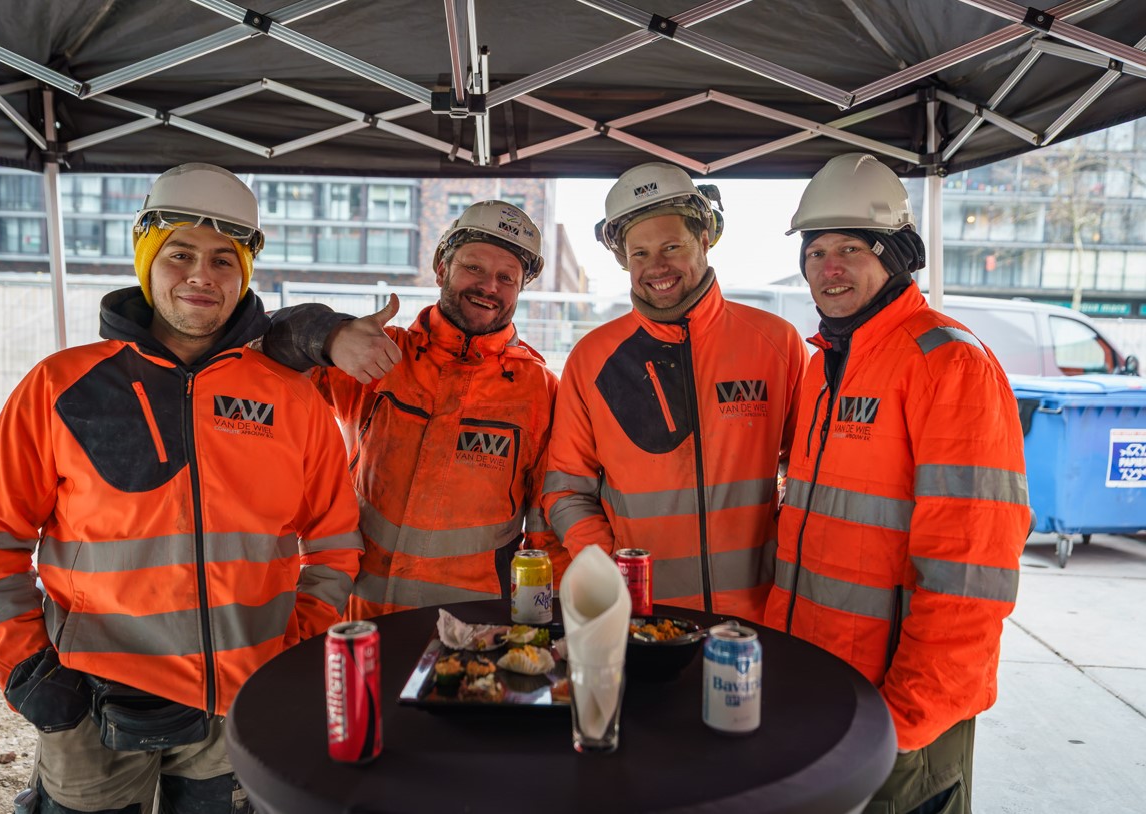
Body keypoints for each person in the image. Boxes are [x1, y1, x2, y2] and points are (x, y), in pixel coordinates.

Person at [0, 162, 363, 813]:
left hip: (237, 707)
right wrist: (29, 672)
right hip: (92, 702)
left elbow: (334, 543)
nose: (202, 275)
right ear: (146, 259)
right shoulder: (61, 386)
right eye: (181, 254)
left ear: (245, 274)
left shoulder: (293, 400)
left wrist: (289, 645)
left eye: (225, 259)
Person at [764, 153, 1032, 814]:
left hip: (899, 712)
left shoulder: (948, 364)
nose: (829, 267)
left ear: (896, 257)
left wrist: (907, 718)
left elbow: (971, 572)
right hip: (819, 689)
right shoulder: (824, 367)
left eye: (852, 248)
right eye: (817, 249)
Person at [263, 199, 565, 618]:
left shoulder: (541, 391)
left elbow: (548, 534)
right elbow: (255, 347)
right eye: (473, 268)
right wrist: (328, 335)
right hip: (360, 620)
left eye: (506, 277)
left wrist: (548, 625)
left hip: (472, 633)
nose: (489, 286)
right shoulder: (376, 352)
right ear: (442, 266)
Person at [542, 162, 808, 620]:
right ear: (623, 259)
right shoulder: (591, 359)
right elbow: (565, 489)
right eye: (639, 253)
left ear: (704, 241)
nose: (656, 267)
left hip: (760, 614)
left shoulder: (776, 343)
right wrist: (611, 571)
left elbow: (809, 469)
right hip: (641, 614)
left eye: (671, 246)